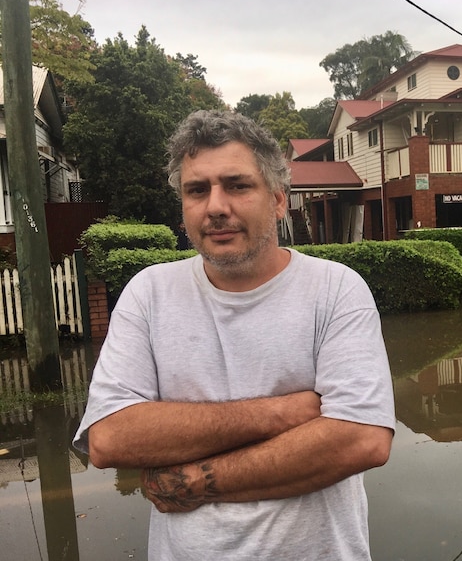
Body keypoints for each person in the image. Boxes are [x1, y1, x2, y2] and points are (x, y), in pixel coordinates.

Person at [73, 109, 395, 560]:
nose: (216, 206)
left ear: (279, 200)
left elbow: (362, 439)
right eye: (197, 190)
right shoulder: (150, 294)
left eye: (238, 185)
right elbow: (109, 437)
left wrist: (195, 481)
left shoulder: (336, 290)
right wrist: (285, 412)